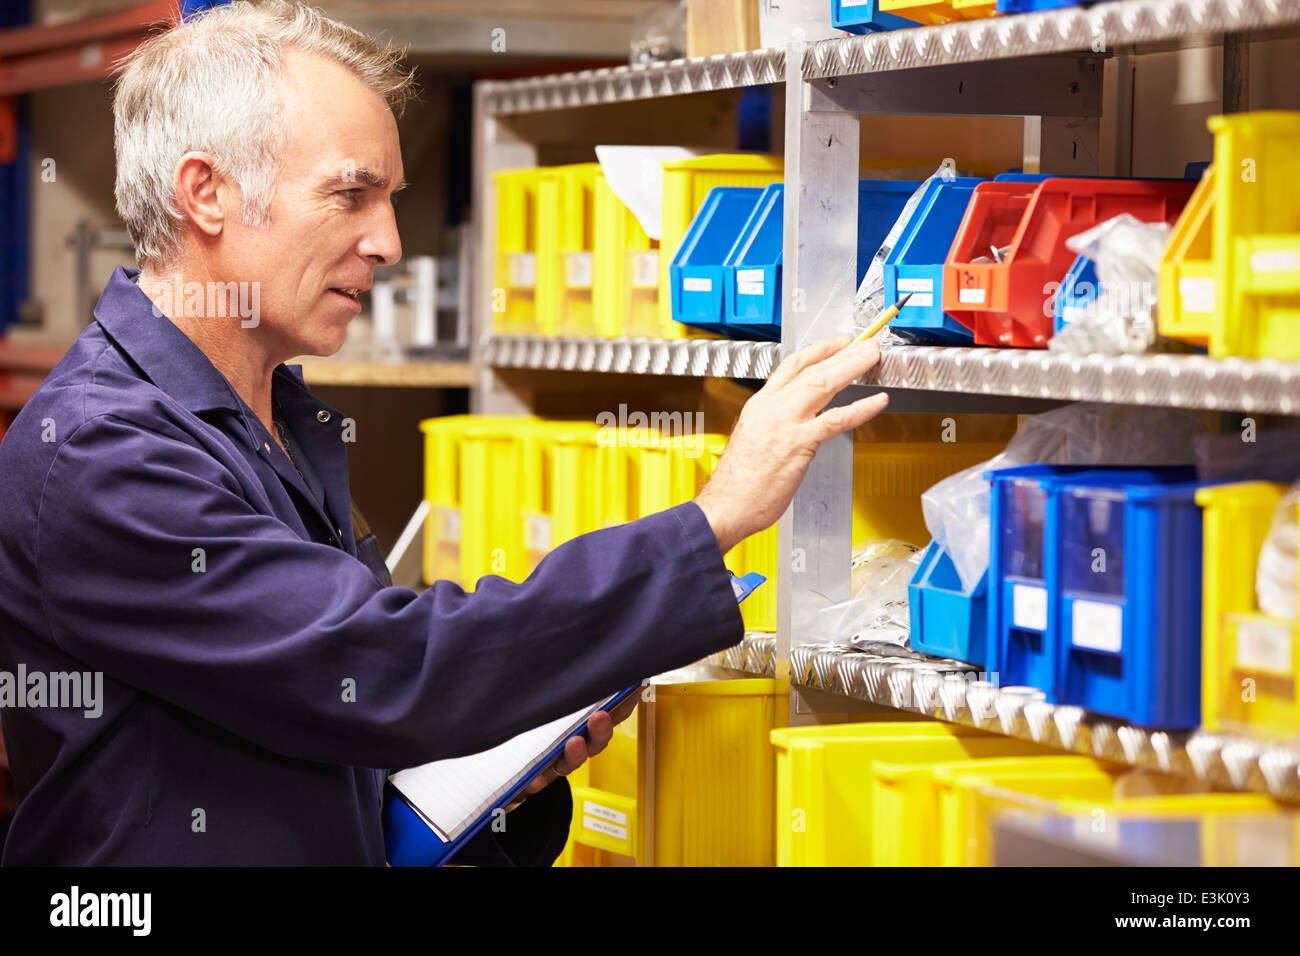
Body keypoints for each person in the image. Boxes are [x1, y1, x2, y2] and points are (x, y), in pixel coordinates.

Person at [0, 0, 889, 865]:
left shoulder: (271, 417)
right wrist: (715, 518)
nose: (388, 240)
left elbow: (321, 723)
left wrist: (498, 788)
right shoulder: (103, 453)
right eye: (351, 194)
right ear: (207, 193)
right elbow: (384, 664)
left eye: (388, 198)